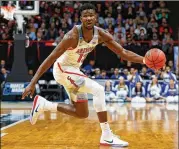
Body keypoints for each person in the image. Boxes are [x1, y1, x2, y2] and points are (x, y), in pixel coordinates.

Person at [22, 3, 145, 147]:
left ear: (95, 18)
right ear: (81, 18)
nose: (88, 18)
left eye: (91, 15)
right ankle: (106, 135)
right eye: (85, 15)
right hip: (62, 70)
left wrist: (144, 60)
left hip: (73, 72)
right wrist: (32, 82)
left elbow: (123, 53)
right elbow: (50, 58)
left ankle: (44, 105)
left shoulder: (100, 35)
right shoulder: (72, 36)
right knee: (99, 90)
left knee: (81, 113)